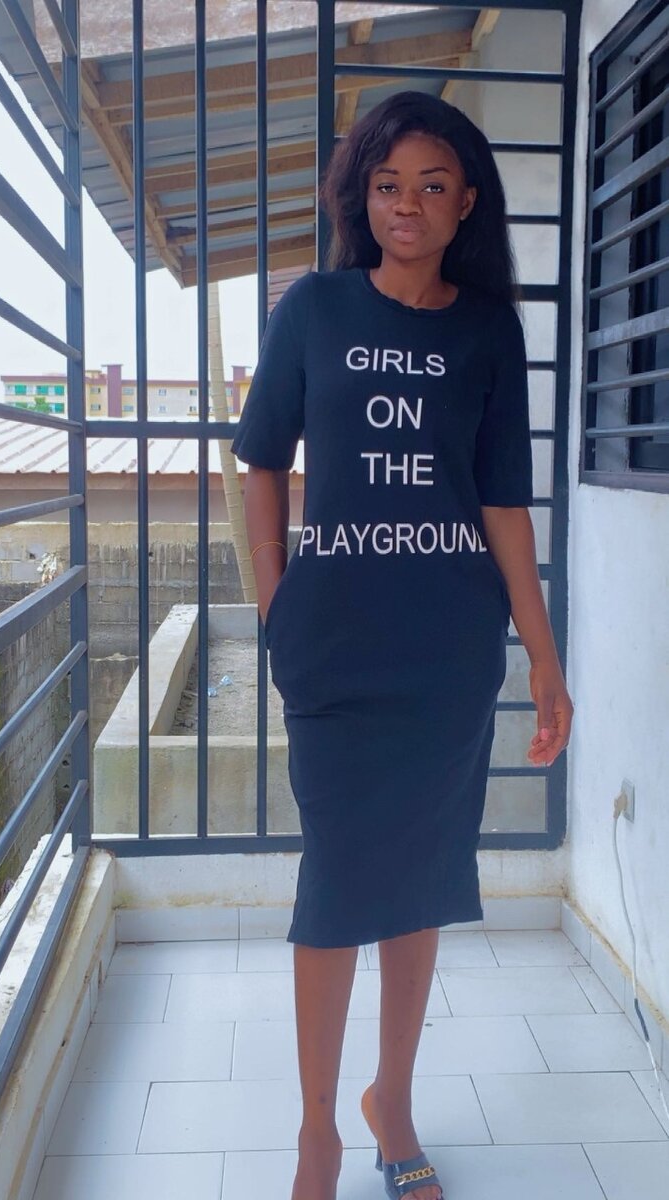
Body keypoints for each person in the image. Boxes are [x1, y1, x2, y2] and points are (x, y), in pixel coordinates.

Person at [230, 90, 574, 1200]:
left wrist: (544, 656)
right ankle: (317, 1135)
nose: (407, 205)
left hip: (446, 654)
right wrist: (277, 603)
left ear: (466, 202)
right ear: (361, 198)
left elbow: (503, 503)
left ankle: (394, 1104)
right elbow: (261, 462)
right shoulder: (314, 309)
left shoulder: (487, 329)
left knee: (419, 884)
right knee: (337, 887)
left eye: (431, 186)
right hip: (334, 649)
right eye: (387, 185)